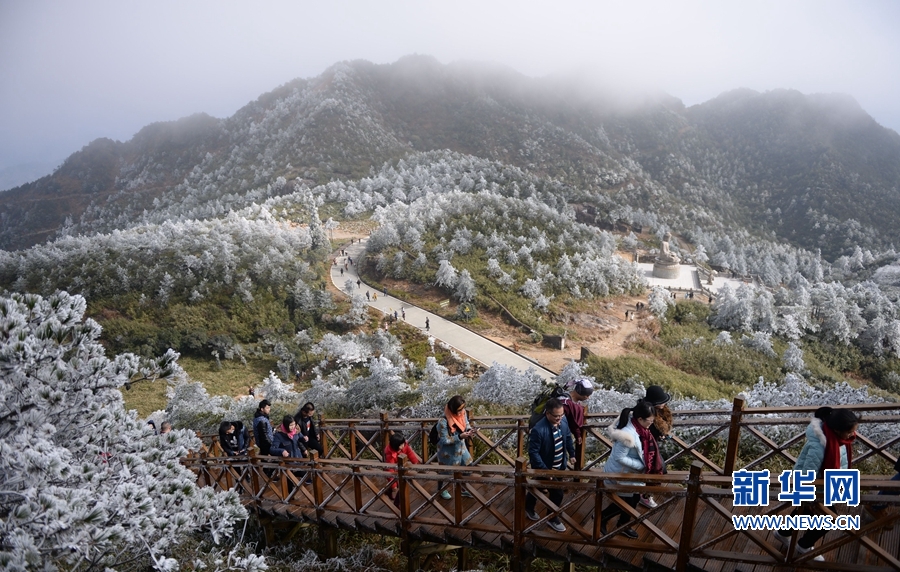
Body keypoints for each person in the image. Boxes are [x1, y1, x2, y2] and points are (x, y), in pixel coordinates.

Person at [774, 407, 861, 562]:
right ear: (837, 429)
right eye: (850, 432)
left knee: (805, 513)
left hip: (823, 487)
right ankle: (804, 545)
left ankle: (782, 533)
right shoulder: (820, 446)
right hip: (813, 488)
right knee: (827, 519)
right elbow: (807, 473)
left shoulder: (838, 440)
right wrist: (808, 496)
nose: (852, 435)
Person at [601, 400, 661, 539]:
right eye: (650, 421)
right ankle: (602, 518)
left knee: (633, 500)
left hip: (630, 474)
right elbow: (619, 457)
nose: (651, 424)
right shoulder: (627, 436)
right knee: (624, 502)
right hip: (620, 474)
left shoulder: (640, 429)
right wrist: (642, 465)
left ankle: (623, 525)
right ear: (640, 419)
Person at [526, 398, 575, 532]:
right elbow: (533, 453)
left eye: (561, 415)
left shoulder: (563, 422)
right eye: (556, 416)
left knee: (538, 488)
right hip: (546, 468)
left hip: (559, 466)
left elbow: (568, 438)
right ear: (547, 414)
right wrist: (545, 471)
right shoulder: (539, 429)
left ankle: (529, 507)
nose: (559, 418)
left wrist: (572, 454)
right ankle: (551, 518)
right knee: (556, 493)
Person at [436, 395, 474, 500]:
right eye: (458, 410)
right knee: (445, 472)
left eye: (462, 409)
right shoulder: (443, 421)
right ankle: (441, 490)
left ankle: (462, 487)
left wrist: (470, 430)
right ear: (452, 409)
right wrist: (460, 436)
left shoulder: (463, 412)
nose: (461, 412)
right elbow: (444, 440)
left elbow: (466, 423)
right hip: (447, 452)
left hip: (460, 448)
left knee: (469, 465)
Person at [641, 385, 673, 508]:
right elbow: (646, 431)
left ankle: (643, 494)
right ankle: (644, 496)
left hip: (651, 445)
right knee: (658, 470)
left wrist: (661, 435)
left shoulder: (656, 411)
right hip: (644, 446)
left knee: (658, 470)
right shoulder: (646, 413)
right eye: (662, 402)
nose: (665, 404)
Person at [560, 378, 593, 470]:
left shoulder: (565, 399)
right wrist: (578, 434)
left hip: (560, 439)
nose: (588, 397)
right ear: (580, 392)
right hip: (556, 439)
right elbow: (572, 422)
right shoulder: (566, 404)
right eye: (587, 395)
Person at [384, 432, 421, 503]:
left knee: (402, 486)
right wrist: (393, 485)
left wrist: (415, 463)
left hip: (402, 468)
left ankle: (394, 498)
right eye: (401, 445)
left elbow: (410, 453)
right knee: (398, 486)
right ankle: (396, 502)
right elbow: (390, 470)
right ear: (395, 446)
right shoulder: (390, 454)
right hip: (393, 471)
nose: (403, 446)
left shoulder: (404, 445)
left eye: (403, 443)